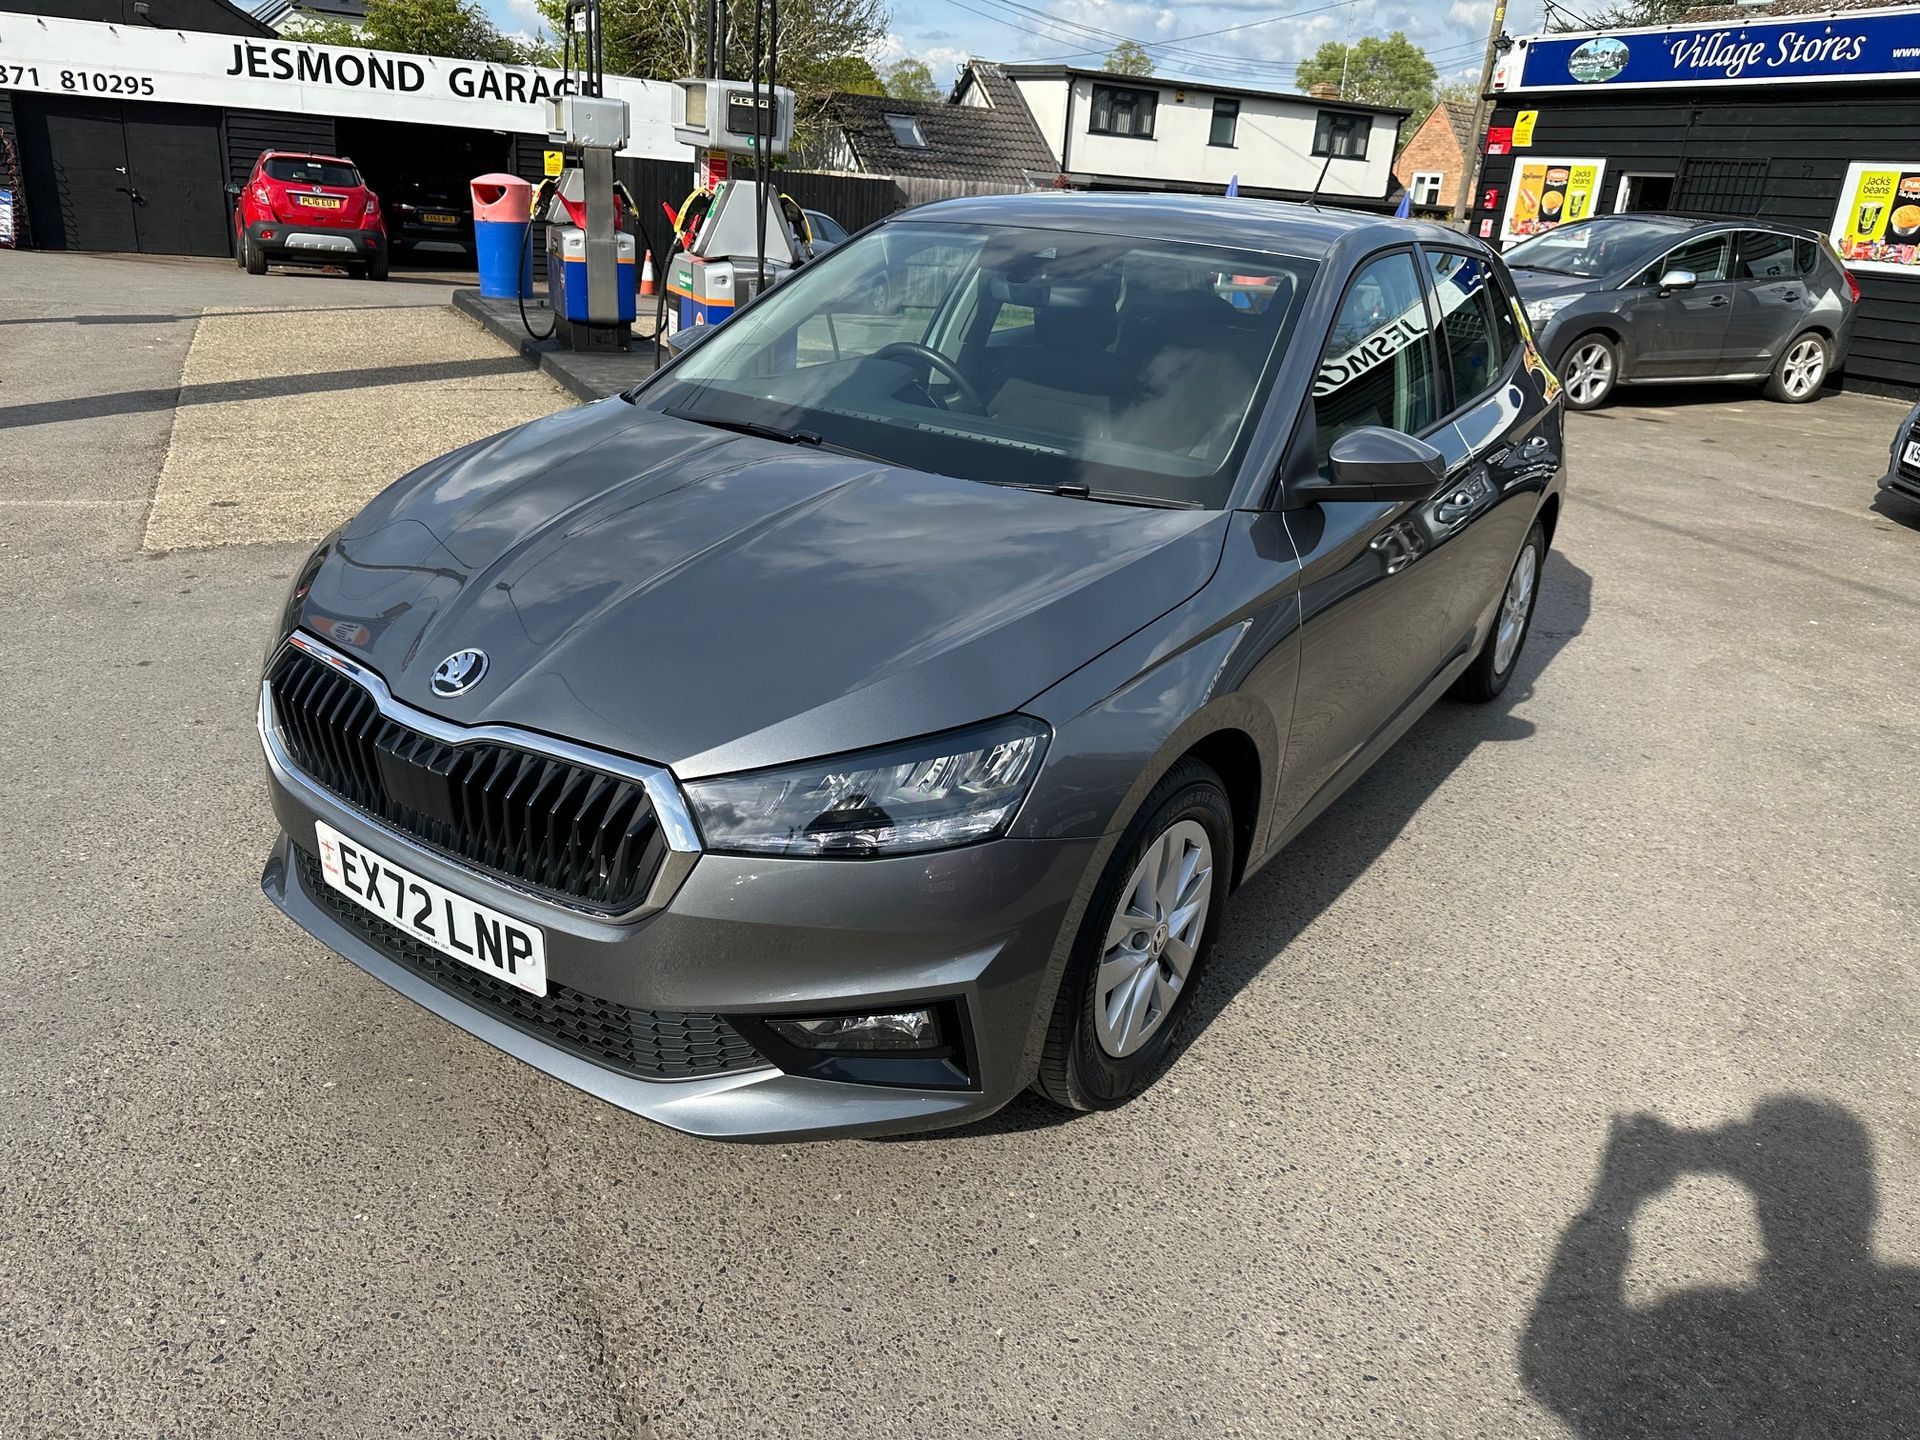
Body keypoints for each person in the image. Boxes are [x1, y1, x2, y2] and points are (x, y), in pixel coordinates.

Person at [1523, 1098, 1920, 1438]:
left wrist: (1616, 1196)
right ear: (1867, 1197)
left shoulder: (1705, 1329)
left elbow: (1561, 1361)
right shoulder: (1902, 1303)